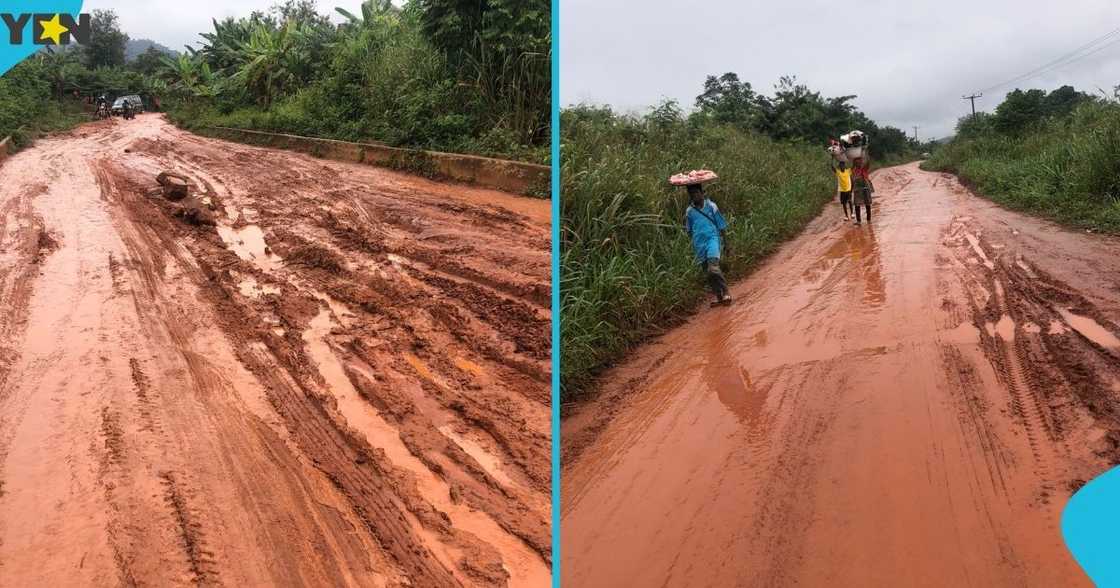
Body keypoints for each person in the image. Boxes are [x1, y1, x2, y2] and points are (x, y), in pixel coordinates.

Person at [684, 183, 732, 305]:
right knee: (708, 273)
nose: (694, 196)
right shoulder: (689, 211)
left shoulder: (711, 206)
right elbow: (689, 230)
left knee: (713, 268)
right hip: (699, 244)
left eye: (696, 193)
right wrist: (694, 243)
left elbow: (721, 225)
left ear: (702, 193)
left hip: (712, 240)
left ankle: (726, 291)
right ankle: (718, 295)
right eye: (691, 194)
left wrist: (726, 243)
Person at [851, 157, 874, 225]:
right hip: (857, 189)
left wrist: (867, 156)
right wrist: (851, 189)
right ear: (855, 164)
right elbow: (852, 180)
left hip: (865, 188)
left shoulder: (864, 169)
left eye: (859, 162)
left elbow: (868, 163)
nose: (858, 163)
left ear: (861, 163)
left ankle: (869, 219)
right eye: (856, 162)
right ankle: (858, 221)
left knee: (867, 203)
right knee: (857, 204)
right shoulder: (854, 170)